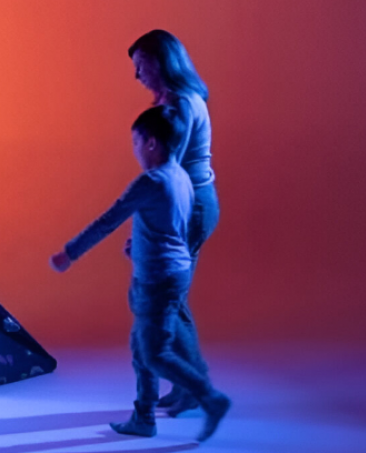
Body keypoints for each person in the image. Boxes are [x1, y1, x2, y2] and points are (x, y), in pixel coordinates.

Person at [50, 106, 231, 442]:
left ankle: (210, 398)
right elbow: (171, 224)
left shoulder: (150, 181)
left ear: (150, 143)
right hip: (169, 272)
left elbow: (109, 220)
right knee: (141, 347)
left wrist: (69, 253)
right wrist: (139, 246)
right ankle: (143, 417)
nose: (134, 149)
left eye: (135, 142)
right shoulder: (180, 177)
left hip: (158, 278)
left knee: (154, 353)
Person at [128, 29, 221, 417]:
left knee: (169, 298)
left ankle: (196, 386)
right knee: (173, 300)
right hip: (193, 204)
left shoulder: (182, 104)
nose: (137, 75)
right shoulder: (181, 99)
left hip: (189, 207)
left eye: (141, 65)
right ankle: (187, 385)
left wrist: (147, 233)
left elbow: (171, 176)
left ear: (161, 61)